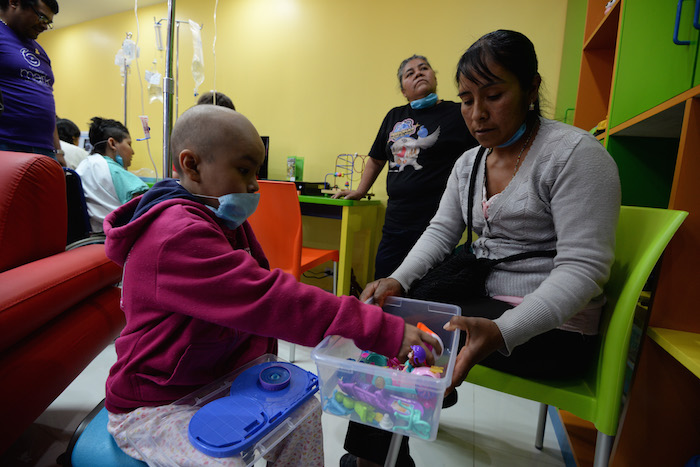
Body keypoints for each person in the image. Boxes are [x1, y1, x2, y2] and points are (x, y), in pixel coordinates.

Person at [102, 104, 441, 466]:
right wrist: (377, 328)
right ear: (191, 165)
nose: (253, 185)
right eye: (243, 170)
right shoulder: (176, 236)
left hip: (220, 382)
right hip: (158, 402)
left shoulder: (223, 221)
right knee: (226, 463)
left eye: (256, 172)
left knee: (305, 414)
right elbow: (267, 299)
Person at [343, 30, 621, 467]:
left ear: (531, 88)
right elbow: (441, 232)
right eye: (467, 100)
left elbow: (582, 270)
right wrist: (397, 279)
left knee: (405, 336)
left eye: (493, 96)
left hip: (553, 329)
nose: (477, 114)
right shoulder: (470, 162)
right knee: (390, 322)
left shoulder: (574, 155)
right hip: (481, 301)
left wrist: (504, 330)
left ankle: (373, 461)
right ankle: (375, 459)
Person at [333, 54, 477, 280]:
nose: (418, 73)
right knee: (384, 282)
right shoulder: (394, 116)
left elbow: (483, 153)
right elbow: (376, 159)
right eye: (410, 73)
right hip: (396, 222)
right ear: (403, 90)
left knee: (429, 286)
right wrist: (360, 190)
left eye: (424, 68)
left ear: (434, 77)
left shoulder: (459, 113)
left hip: (438, 222)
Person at [0, 0, 64, 165]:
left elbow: (48, 102)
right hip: (7, 144)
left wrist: (58, 150)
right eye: (42, 17)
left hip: (45, 149)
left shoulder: (40, 52)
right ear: (14, 2)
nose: (44, 26)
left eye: (48, 22)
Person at [76, 117, 148, 233]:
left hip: (90, 234)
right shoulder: (114, 171)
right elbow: (144, 210)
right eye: (129, 144)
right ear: (112, 143)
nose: (132, 152)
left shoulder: (83, 166)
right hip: (117, 234)